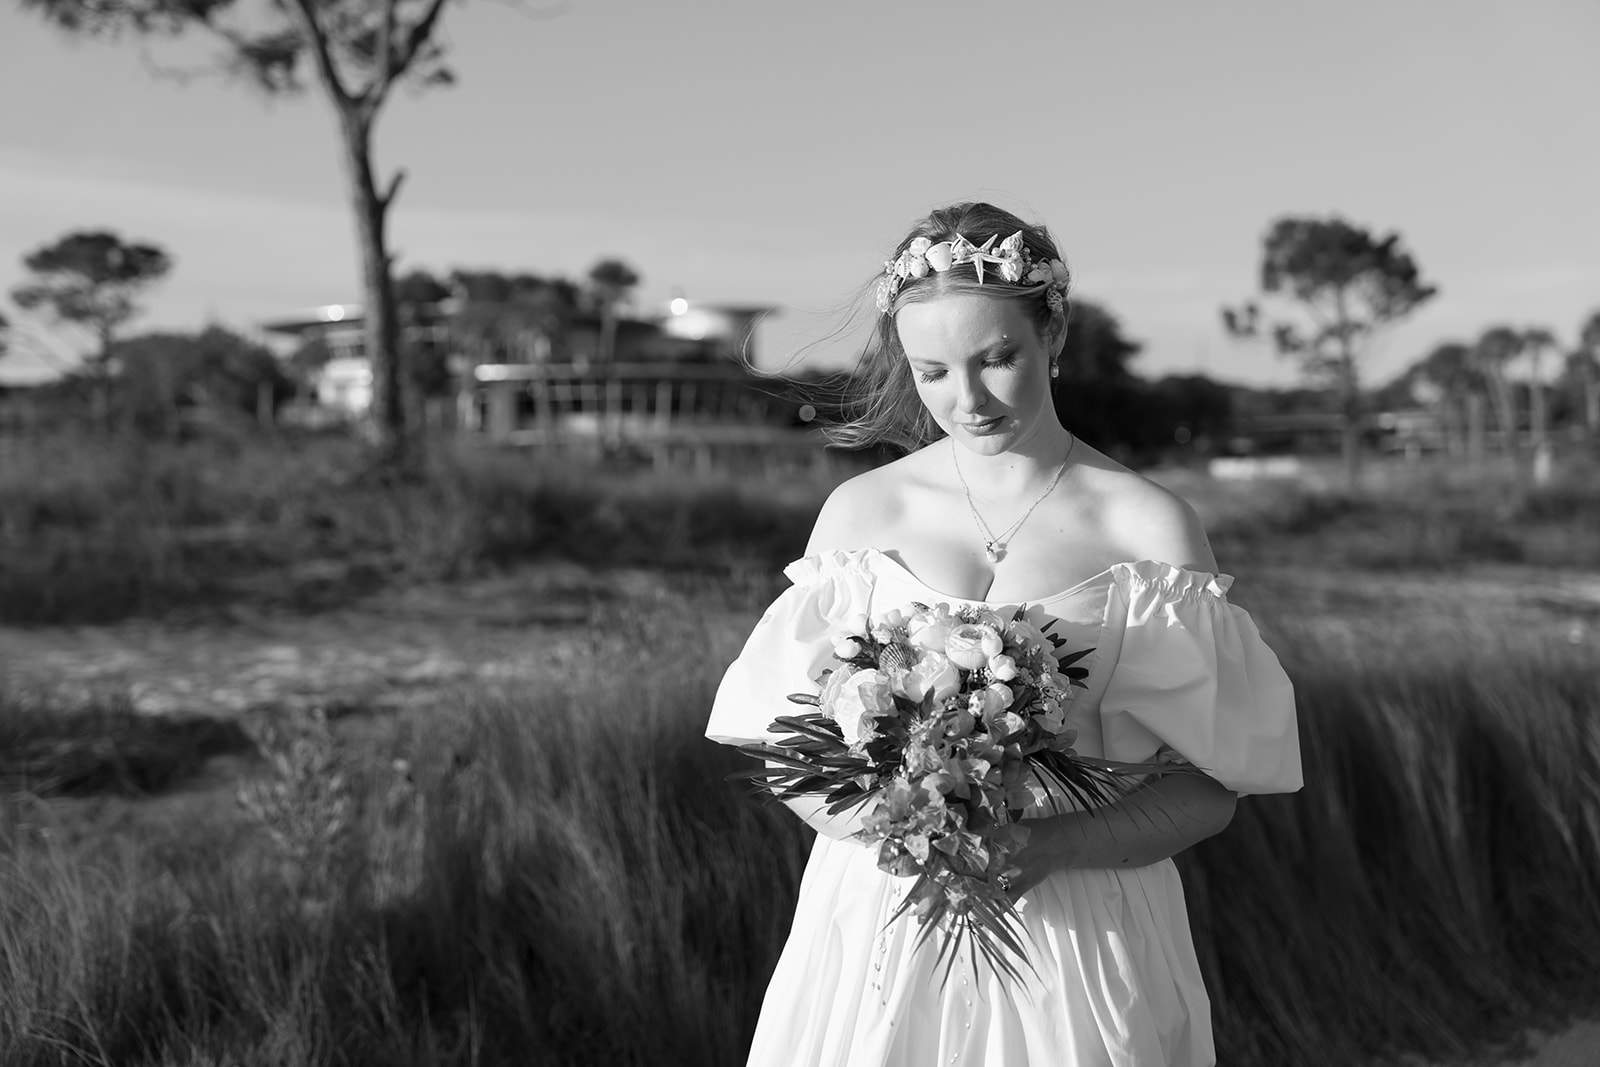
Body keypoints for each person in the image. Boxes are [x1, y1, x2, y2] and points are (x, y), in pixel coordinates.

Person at [705, 202, 1302, 1067]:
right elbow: (788, 751)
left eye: (997, 359)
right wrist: (901, 828)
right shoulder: (863, 513)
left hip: (1082, 934)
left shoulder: (1151, 530)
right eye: (933, 370)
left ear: (1053, 331)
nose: (967, 400)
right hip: (882, 923)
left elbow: (1211, 789)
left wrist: (1047, 847)